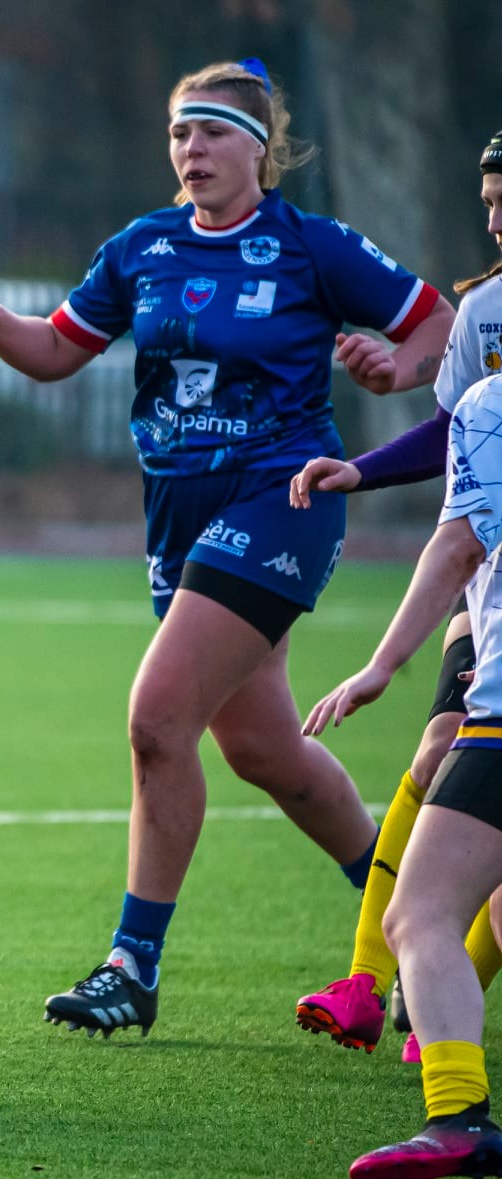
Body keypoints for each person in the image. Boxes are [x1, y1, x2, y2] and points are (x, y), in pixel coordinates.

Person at [0, 58, 453, 1037]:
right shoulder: (141, 248)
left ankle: (132, 966)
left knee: (158, 719)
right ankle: (412, 919)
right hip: (177, 518)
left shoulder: (312, 247)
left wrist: (396, 370)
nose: (190, 150)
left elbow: (435, 327)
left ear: (260, 149)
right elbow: (56, 352)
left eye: (210, 133)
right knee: (266, 756)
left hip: (283, 497)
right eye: (178, 134)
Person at [292, 129, 502, 1061]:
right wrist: (362, 473)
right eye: (488, 199)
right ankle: (370, 985)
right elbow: (453, 442)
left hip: (475, 569)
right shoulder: (486, 312)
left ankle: (440, 1000)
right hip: (488, 577)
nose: (493, 218)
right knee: (440, 744)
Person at [303, 370, 502, 1179]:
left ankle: (458, 1118)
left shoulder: (492, 402)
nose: (493, 228)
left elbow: (460, 542)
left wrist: (383, 665)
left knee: (420, 916)